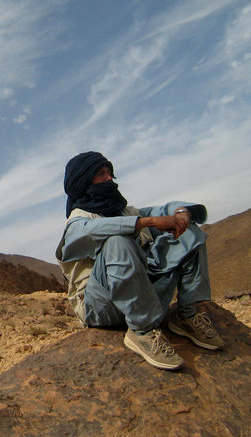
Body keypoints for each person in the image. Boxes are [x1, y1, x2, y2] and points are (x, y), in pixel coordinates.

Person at [55, 151, 223, 370]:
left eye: (110, 173)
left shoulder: (126, 212)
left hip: (142, 294)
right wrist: (148, 222)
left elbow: (165, 210)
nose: (109, 179)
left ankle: (187, 314)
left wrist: (180, 213)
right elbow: (89, 232)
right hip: (101, 308)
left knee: (188, 232)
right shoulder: (78, 220)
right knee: (117, 241)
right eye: (101, 174)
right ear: (84, 181)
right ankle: (141, 331)